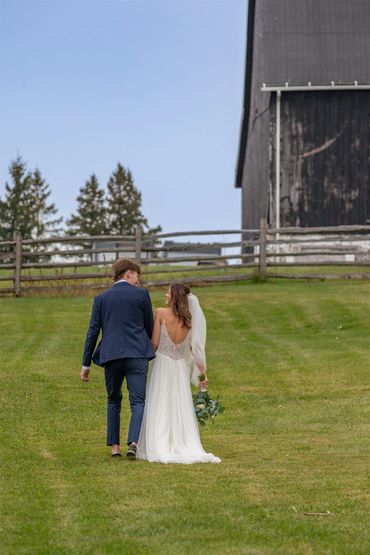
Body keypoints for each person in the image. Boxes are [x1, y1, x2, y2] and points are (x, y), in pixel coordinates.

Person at [136, 283, 221, 464]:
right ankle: (181, 442)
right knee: (178, 404)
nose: (165, 295)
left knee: (160, 402)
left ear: (174, 296)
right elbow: (196, 349)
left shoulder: (160, 313)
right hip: (180, 367)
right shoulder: (190, 321)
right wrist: (202, 374)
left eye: (168, 292)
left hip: (162, 365)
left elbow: (155, 344)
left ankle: (159, 443)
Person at [80, 259, 154, 458]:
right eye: (137, 275)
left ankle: (115, 448)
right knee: (138, 401)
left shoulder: (101, 299)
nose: (138, 280)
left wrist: (86, 364)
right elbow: (149, 325)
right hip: (137, 354)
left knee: (113, 399)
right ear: (129, 273)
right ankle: (133, 443)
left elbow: (92, 332)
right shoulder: (142, 295)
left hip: (111, 355)